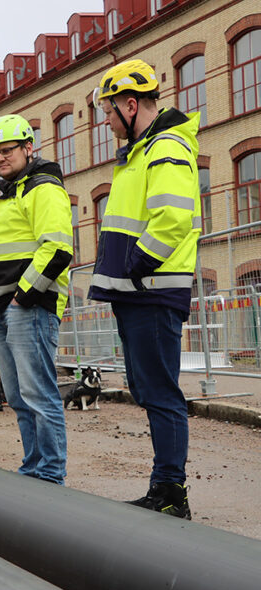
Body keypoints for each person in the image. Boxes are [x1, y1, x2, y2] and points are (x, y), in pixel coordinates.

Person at [89, 59, 201, 519]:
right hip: (138, 290)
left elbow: (173, 217)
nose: (107, 121)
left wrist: (138, 265)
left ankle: (171, 491)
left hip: (152, 289)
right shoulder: (141, 152)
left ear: (131, 105)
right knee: (147, 387)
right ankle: (164, 487)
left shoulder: (165, 147)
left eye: (109, 112)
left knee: (160, 391)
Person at [0, 114, 73, 484]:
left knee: (38, 394)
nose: (0, 158)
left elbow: (58, 248)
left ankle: (50, 474)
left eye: (7, 151)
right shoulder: (9, 195)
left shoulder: (42, 188)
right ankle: (33, 468)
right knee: (18, 397)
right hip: (2, 308)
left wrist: (23, 296)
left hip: (28, 307)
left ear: (28, 147)